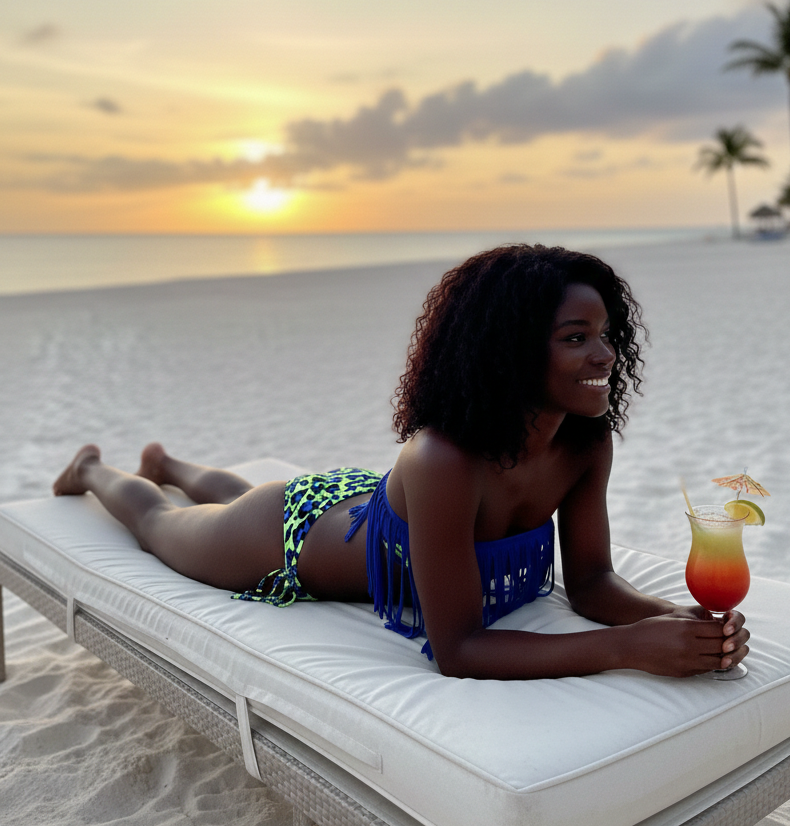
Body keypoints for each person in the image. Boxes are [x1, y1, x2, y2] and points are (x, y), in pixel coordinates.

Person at [53, 244, 749, 680]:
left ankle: (169, 458)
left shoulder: (585, 441)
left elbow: (593, 582)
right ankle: (94, 470)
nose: (606, 356)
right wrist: (629, 649)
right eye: (577, 337)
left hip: (369, 506)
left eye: (605, 335)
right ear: (509, 350)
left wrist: (678, 622)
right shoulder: (443, 456)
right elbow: (460, 649)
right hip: (291, 536)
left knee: (234, 491)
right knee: (163, 527)